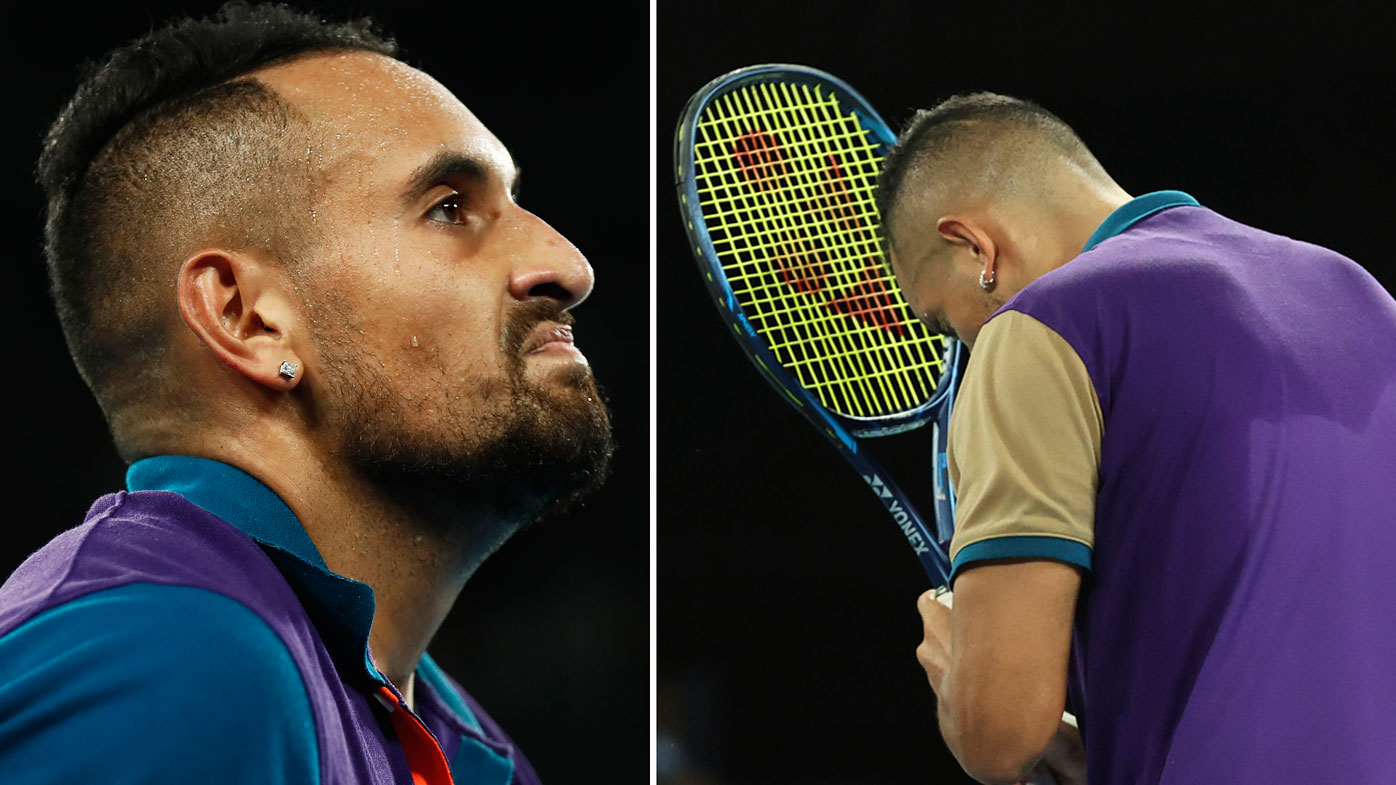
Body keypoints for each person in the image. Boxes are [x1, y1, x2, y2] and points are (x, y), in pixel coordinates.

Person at [0, 3, 614, 783]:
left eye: (516, 202)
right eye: (450, 208)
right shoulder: (170, 660)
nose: (568, 265)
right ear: (248, 318)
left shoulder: (470, 748)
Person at [878, 92, 1396, 784]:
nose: (965, 346)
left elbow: (1001, 735)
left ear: (976, 248)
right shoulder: (1359, 292)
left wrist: (961, 673)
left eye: (947, 322)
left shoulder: (1042, 325)